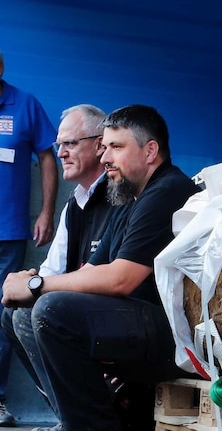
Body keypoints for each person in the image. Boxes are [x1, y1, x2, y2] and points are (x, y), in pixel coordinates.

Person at [1, 104, 200, 430]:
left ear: (150, 151)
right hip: (138, 326)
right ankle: (80, 419)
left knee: (52, 309)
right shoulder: (131, 196)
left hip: (174, 338)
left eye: (116, 147)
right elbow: (90, 270)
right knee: (21, 313)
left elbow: (122, 278)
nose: (106, 157)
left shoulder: (168, 190)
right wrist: (31, 283)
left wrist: (37, 287)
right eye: (105, 148)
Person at [1, 104, 113, 429]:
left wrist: (34, 287)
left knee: (43, 310)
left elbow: (115, 277)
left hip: (121, 313)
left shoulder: (122, 196)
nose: (61, 152)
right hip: (84, 311)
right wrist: (23, 283)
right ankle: (69, 417)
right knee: (15, 314)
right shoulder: (74, 204)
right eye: (58, 145)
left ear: (99, 144)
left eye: (70, 144)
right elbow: (49, 273)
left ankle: (85, 418)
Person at [0, 48, 58, 426]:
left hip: (8, 232)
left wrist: (47, 211)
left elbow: (49, 157)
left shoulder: (24, 103)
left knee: (3, 316)